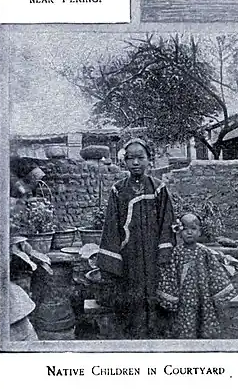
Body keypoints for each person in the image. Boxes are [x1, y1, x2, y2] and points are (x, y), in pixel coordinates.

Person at [96, 138, 176, 338]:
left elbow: (167, 221)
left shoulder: (158, 188)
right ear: (124, 161)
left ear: (149, 159)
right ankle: (133, 336)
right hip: (128, 253)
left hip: (153, 253)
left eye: (140, 157)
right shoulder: (118, 189)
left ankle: (156, 334)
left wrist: (164, 252)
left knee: (154, 291)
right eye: (130, 158)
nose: (136, 163)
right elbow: (111, 225)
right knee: (130, 293)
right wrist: (113, 258)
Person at [156, 212, 236, 338]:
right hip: (184, 298)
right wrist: (171, 297)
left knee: (205, 318)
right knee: (185, 322)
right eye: (185, 229)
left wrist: (221, 293)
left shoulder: (204, 252)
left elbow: (215, 272)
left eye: (193, 229)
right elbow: (170, 274)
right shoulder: (175, 253)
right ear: (179, 232)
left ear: (200, 232)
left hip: (203, 295)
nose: (189, 232)